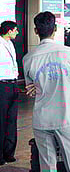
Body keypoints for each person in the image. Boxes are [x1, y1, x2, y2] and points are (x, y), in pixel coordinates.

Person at [23, 12, 70, 172]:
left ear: (35, 31)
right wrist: (65, 83)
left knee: (47, 166)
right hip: (65, 116)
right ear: (56, 28)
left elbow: (30, 89)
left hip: (41, 119)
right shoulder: (69, 52)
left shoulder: (28, 58)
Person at [0, 21, 19, 165]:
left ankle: (9, 152)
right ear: (9, 31)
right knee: (2, 121)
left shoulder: (11, 44)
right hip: (2, 85)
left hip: (13, 84)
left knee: (12, 120)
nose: (17, 33)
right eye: (15, 30)